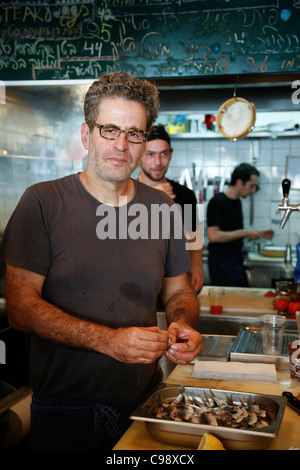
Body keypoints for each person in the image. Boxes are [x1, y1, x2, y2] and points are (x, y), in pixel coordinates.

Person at [0, 72, 203, 450]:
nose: (121, 145)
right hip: (65, 411)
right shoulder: (42, 203)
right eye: (109, 130)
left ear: (144, 142)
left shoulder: (162, 209)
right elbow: (20, 308)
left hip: (145, 402)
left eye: (134, 133)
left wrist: (183, 324)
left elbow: (179, 290)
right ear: (86, 134)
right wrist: (108, 341)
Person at [138, 125, 204, 293]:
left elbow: (194, 236)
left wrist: (197, 265)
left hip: (178, 287)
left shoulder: (185, 195)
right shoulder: (124, 193)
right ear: (139, 154)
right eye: (150, 154)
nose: (158, 162)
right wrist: (153, 198)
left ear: (171, 154)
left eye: (163, 154)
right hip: (139, 287)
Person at [207, 163, 274, 287]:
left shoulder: (237, 202)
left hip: (235, 258)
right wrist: (245, 232)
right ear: (239, 182)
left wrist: (259, 233)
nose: (253, 190)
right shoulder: (217, 202)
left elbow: (232, 231)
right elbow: (214, 236)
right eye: (251, 186)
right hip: (222, 262)